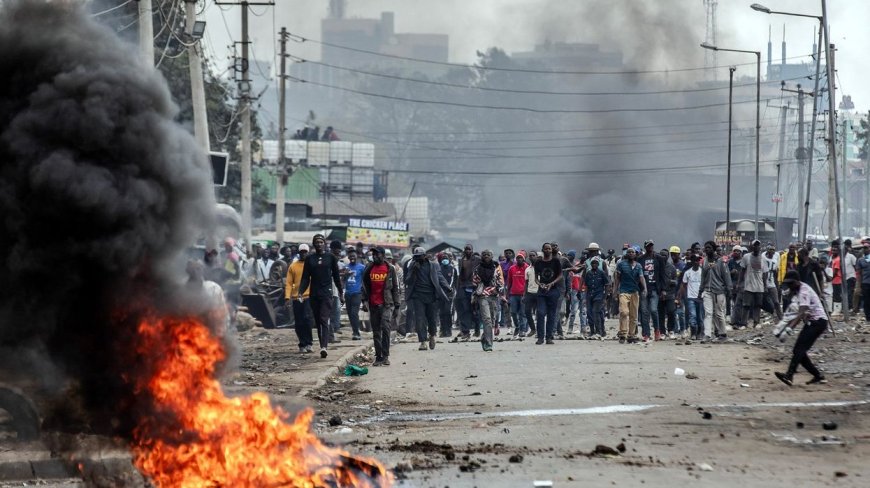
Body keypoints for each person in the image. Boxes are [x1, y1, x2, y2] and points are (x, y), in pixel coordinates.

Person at [773, 270, 829, 386]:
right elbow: (795, 313)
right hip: (813, 322)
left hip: (817, 322)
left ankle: (789, 375)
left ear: (797, 281)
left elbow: (801, 313)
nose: (790, 286)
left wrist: (788, 330)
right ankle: (818, 376)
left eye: (791, 283)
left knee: (799, 350)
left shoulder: (804, 292)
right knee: (799, 351)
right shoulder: (798, 290)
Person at [298, 234, 344, 358]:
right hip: (314, 293)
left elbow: (336, 277)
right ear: (314, 244)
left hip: (327, 293)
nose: (319, 244)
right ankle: (322, 344)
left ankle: (324, 347)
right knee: (318, 320)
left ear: (324, 244)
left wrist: (341, 293)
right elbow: (305, 277)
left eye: (321, 242)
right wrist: (300, 292)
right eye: (316, 242)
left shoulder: (331, 258)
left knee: (324, 318)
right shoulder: (309, 259)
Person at [404, 247, 451, 351]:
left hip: (431, 296)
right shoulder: (412, 265)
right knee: (420, 319)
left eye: (419, 256)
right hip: (418, 296)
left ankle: (432, 335)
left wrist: (447, 287)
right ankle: (423, 341)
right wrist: (413, 271)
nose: (417, 258)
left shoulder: (433, 265)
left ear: (424, 256)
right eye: (415, 257)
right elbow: (407, 281)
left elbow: (440, 277)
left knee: (431, 318)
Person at [362, 247, 399, 366]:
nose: (375, 256)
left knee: (385, 326)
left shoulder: (390, 269)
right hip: (373, 304)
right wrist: (364, 301)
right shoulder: (369, 268)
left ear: (383, 255)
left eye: (377, 254)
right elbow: (364, 285)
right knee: (376, 331)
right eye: (373, 254)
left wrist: (397, 305)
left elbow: (395, 288)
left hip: (387, 304)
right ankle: (378, 357)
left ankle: (386, 356)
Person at [473, 250, 504, 352]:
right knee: (487, 320)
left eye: (488, 255)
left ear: (491, 256)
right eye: (484, 255)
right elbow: (474, 282)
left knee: (493, 319)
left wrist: (498, 290)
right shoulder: (477, 269)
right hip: (483, 296)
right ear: (482, 257)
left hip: (494, 296)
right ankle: (489, 344)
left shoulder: (496, 268)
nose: (486, 256)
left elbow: (500, 281)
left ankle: (484, 337)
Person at [701, 240, 732, 342]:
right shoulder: (705, 261)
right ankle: (707, 335)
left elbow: (726, 276)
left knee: (719, 313)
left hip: (719, 290)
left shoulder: (721, 261)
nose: (706, 249)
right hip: (707, 290)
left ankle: (723, 334)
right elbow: (703, 276)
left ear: (714, 249)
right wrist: (701, 289)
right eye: (706, 247)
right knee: (708, 313)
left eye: (709, 247)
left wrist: (729, 289)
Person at [286, 244, 314, 353]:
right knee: (299, 321)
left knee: (307, 319)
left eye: (305, 252)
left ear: (308, 252)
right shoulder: (293, 266)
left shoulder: (312, 265)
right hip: (296, 297)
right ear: (299, 253)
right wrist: (287, 297)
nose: (304, 254)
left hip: (308, 296)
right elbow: (288, 283)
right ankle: (302, 343)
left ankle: (309, 343)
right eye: (302, 252)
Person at [614, 247, 645, 344]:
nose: (631, 253)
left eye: (633, 252)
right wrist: (615, 290)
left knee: (634, 315)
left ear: (635, 254)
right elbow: (617, 278)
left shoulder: (639, 266)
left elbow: (641, 277)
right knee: (624, 312)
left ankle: (631, 335)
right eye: (629, 252)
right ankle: (623, 333)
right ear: (627, 254)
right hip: (624, 291)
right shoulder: (621, 264)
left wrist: (645, 289)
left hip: (635, 292)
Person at [533, 242, 562, 345]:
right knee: (540, 313)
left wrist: (552, 283)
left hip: (553, 290)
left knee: (551, 314)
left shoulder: (556, 261)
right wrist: (539, 284)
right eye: (546, 249)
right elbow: (536, 277)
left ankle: (549, 337)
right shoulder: (538, 262)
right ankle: (540, 337)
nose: (548, 250)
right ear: (543, 250)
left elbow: (560, 275)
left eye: (549, 249)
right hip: (542, 291)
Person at [639, 240, 663, 342]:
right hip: (644, 288)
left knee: (653, 310)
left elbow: (662, 274)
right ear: (645, 247)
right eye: (648, 246)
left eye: (651, 245)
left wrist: (663, 289)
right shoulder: (640, 259)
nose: (650, 247)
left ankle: (657, 330)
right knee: (644, 312)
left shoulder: (659, 258)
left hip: (654, 288)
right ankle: (646, 334)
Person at [739, 240, 767, 328]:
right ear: (751, 247)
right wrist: (740, 283)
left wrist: (765, 286)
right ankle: (744, 323)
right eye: (755, 245)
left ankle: (756, 322)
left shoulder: (763, 258)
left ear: (760, 247)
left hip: (759, 285)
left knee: (758, 305)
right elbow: (742, 271)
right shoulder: (746, 257)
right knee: (746, 305)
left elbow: (765, 273)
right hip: (748, 285)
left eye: (758, 246)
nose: (756, 247)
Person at [455, 244, 481, 340]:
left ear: (472, 250)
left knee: (474, 310)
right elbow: (460, 276)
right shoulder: (461, 260)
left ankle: (477, 328)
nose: (468, 251)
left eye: (469, 249)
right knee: (464, 310)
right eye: (466, 249)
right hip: (463, 286)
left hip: (474, 287)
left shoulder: (477, 259)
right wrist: (457, 289)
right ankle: (465, 331)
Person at [679, 255, 704, 342]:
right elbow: (683, 285)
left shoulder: (702, 272)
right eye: (695, 260)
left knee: (700, 316)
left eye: (698, 260)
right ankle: (693, 333)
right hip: (691, 298)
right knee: (692, 315)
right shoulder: (687, 273)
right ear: (692, 261)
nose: (697, 262)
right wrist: (681, 296)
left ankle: (700, 333)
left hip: (701, 297)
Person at [342, 249, 365, 340]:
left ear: (357, 257)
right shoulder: (346, 267)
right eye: (350, 256)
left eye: (353, 256)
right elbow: (343, 280)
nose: (352, 258)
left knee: (354, 313)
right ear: (348, 257)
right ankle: (355, 330)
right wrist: (345, 275)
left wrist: (364, 293)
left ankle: (356, 333)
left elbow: (365, 280)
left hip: (357, 293)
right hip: (348, 293)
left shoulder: (361, 267)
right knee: (350, 314)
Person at [584, 257, 609, 338]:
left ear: (598, 264)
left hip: (599, 295)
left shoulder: (602, 273)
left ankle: (599, 331)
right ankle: (592, 331)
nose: (594, 264)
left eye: (596, 263)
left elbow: (607, 285)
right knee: (589, 313)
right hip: (589, 295)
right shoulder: (588, 273)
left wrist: (605, 297)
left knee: (596, 312)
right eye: (593, 263)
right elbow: (586, 285)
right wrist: (585, 297)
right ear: (590, 264)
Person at [506, 251, 529, 338]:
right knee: (513, 312)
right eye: (518, 258)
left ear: (524, 259)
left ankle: (522, 330)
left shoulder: (527, 268)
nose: (519, 259)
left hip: (523, 294)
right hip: (513, 294)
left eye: (521, 258)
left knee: (523, 313)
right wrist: (507, 294)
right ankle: (517, 326)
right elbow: (509, 282)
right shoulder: (512, 269)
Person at [437, 252, 458, 338]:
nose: (445, 260)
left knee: (448, 312)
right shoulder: (438, 268)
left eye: (446, 258)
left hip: (449, 293)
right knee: (441, 312)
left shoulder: (452, 269)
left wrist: (453, 290)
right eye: (443, 258)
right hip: (440, 293)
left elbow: (455, 281)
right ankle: (442, 330)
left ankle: (448, 330)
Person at [763, 244, 784, 321]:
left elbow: (776, 273)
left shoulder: (775, 260)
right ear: (767, 250)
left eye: (773, 250)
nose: (772, 251)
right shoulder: (763, 258)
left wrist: (777, 284)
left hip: (771, 282)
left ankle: (780, 318)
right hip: (763, 282)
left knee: (776, 302)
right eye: (770, 249)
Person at [523, 251, 539, 338]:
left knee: (540, 313)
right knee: (527, 311)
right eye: (530, 256)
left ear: (537, 256)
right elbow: (526, 282)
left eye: (533, 255)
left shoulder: (541, 268)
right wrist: (524, 294)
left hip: (539, 292)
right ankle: (533, 329)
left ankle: (539, 331)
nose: (532, 257)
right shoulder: (527, 269)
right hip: (530, 292)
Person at [856, 241, 870, 322]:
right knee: (866, 300)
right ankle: (868, 317)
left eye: (866, 247)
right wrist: (859, 285)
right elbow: (859, 273)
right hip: (865, 283)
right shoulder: (861, 260)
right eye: (864, 248)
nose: (865, 249)